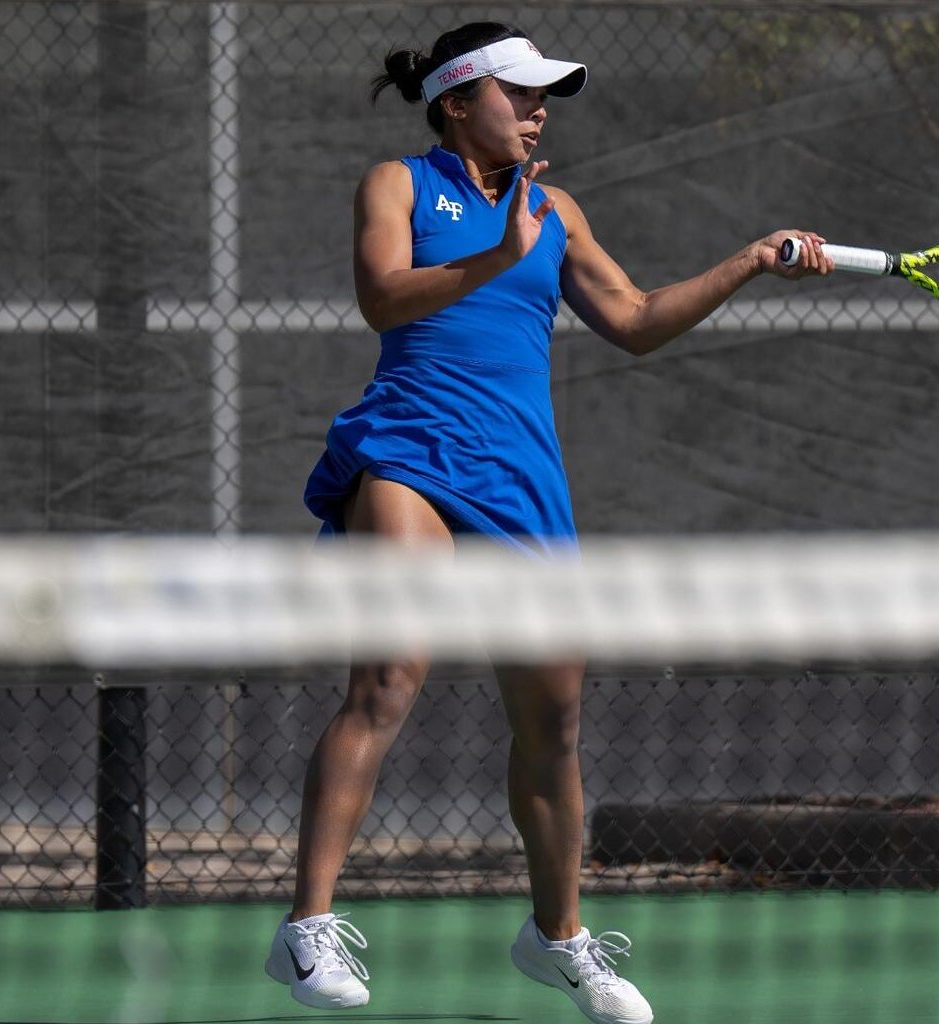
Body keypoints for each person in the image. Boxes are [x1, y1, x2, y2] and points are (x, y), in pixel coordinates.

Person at [263, 21, 832, 1024]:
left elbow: (637, 321)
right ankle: (305, 928)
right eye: (518, 94)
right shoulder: (398, 184)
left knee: (554, 723)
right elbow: (382, 299)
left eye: (542, 98)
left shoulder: (554, 210)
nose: (536, 113)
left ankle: (557, 937)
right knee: (386, 679)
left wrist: (748, 260)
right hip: (408, 451)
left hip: (522, 477)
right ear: (455, 102)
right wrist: (498, 255)